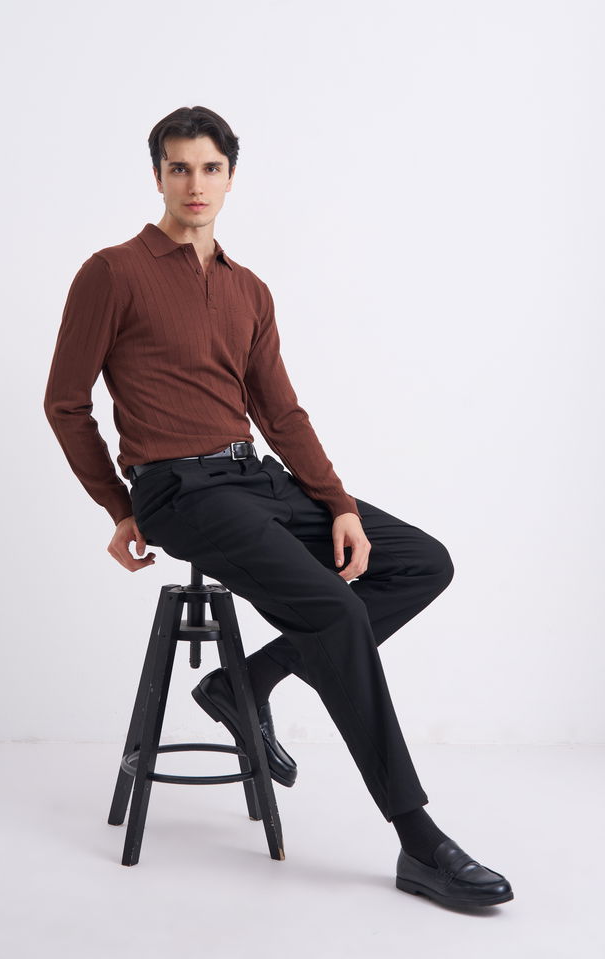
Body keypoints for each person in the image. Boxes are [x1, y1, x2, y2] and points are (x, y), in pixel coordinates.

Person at [43, 105, 513, 909]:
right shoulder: (113, 272)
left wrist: (337, 503)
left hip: (255, 479)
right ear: (157, 176)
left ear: (231, 176)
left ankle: (245, 683)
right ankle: (418, 839)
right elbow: (65, 402)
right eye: (179, 167)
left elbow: (281, 412)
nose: (195, 183)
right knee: (334, 609)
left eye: (210, 168)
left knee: (419, 562)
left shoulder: (248, 289)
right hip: (178, 490)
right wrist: (118, 507)